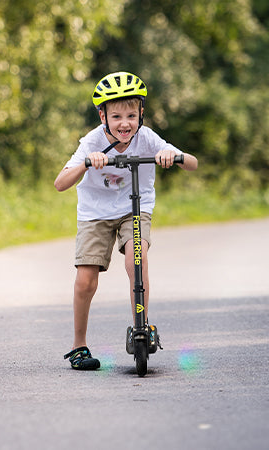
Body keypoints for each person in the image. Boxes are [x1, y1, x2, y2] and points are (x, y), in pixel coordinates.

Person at [54, 72, 197, 370]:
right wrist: (86, 162)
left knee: (137, 260)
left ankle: (141, 328)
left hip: (135, 207)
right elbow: (60, 183)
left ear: (141, 114)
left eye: (131, 115)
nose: (125, 123)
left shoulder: (146, 138)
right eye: (116, 115)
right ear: (102, 115)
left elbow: (192, 163)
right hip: (95, 213)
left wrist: (173, 155)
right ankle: (78, 345)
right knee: (85, 280)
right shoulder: (91, 141)